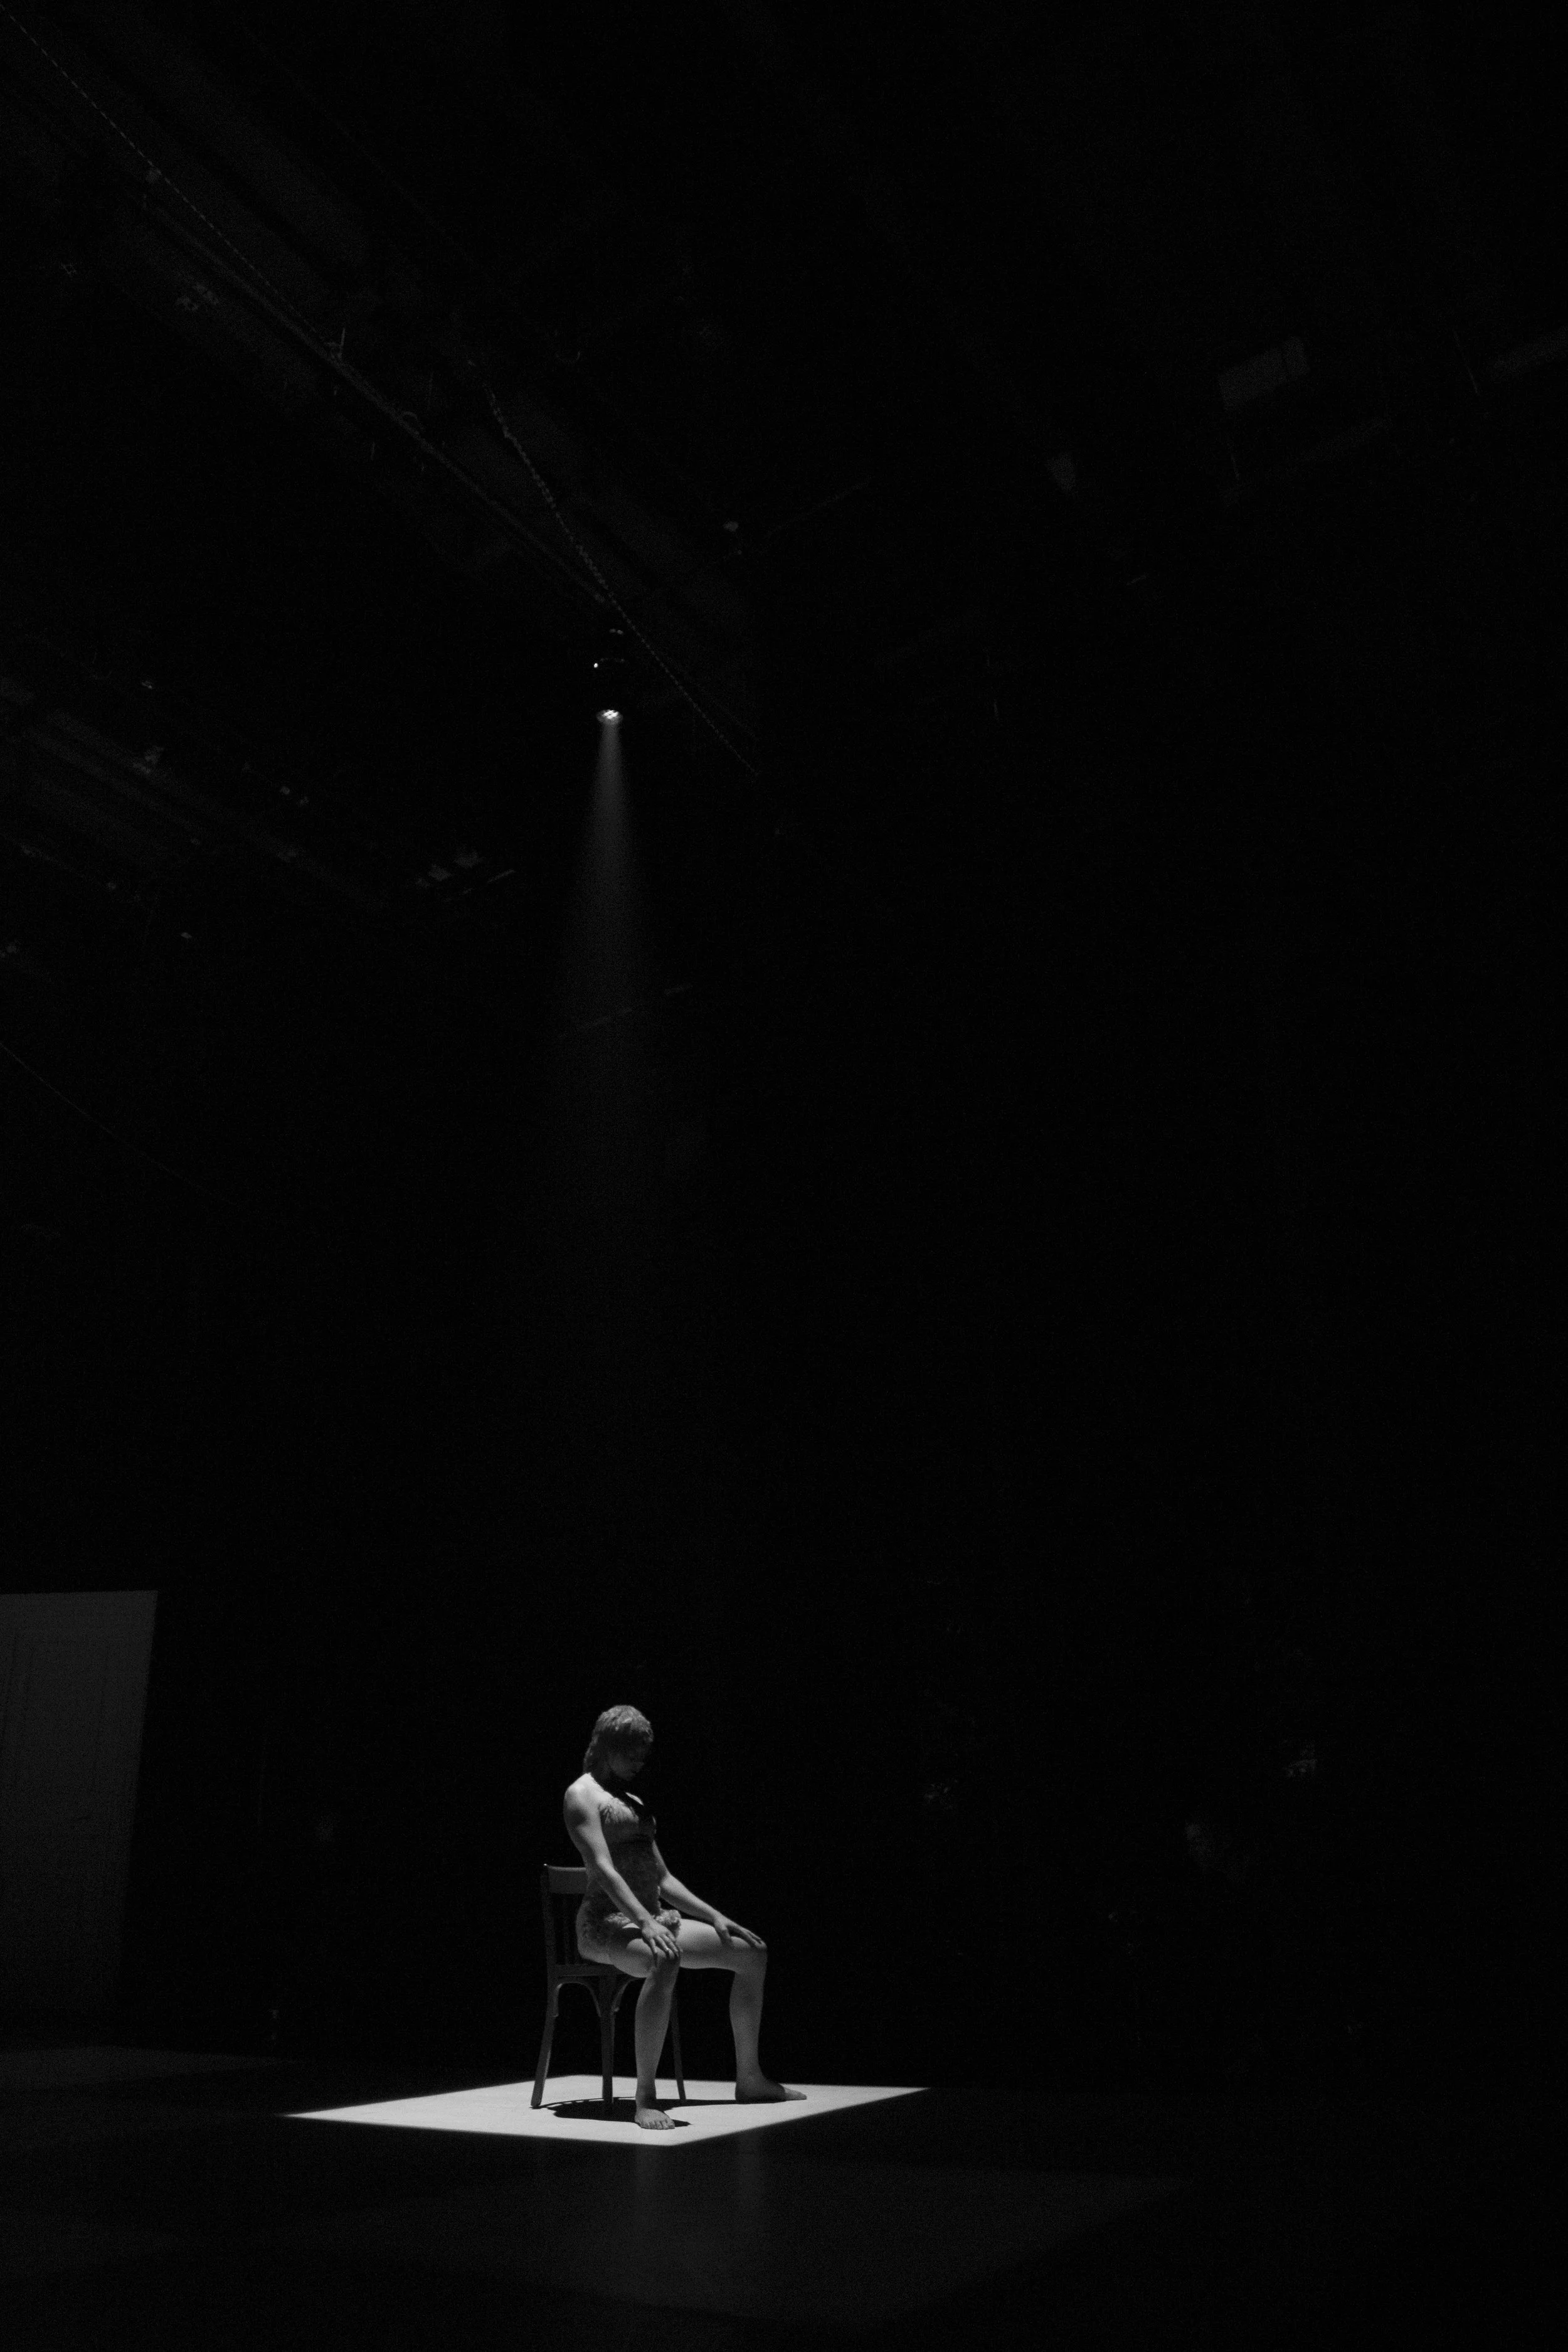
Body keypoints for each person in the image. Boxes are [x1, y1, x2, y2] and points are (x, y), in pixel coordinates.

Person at [564, 1704, 805, 2129]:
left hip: (650, 1917)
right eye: (634, 1752)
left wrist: (714, 1915)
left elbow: (663, 1877)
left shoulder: (633, 1800)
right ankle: (645, 2096)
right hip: (604, 1923)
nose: (641, 1761)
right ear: (610, 1745)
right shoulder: (581, 1794)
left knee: (753, 1951)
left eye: (644, 1753)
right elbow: (603, 1868)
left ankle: (749, 2078)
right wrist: (644, 1921)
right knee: (666, 1957)